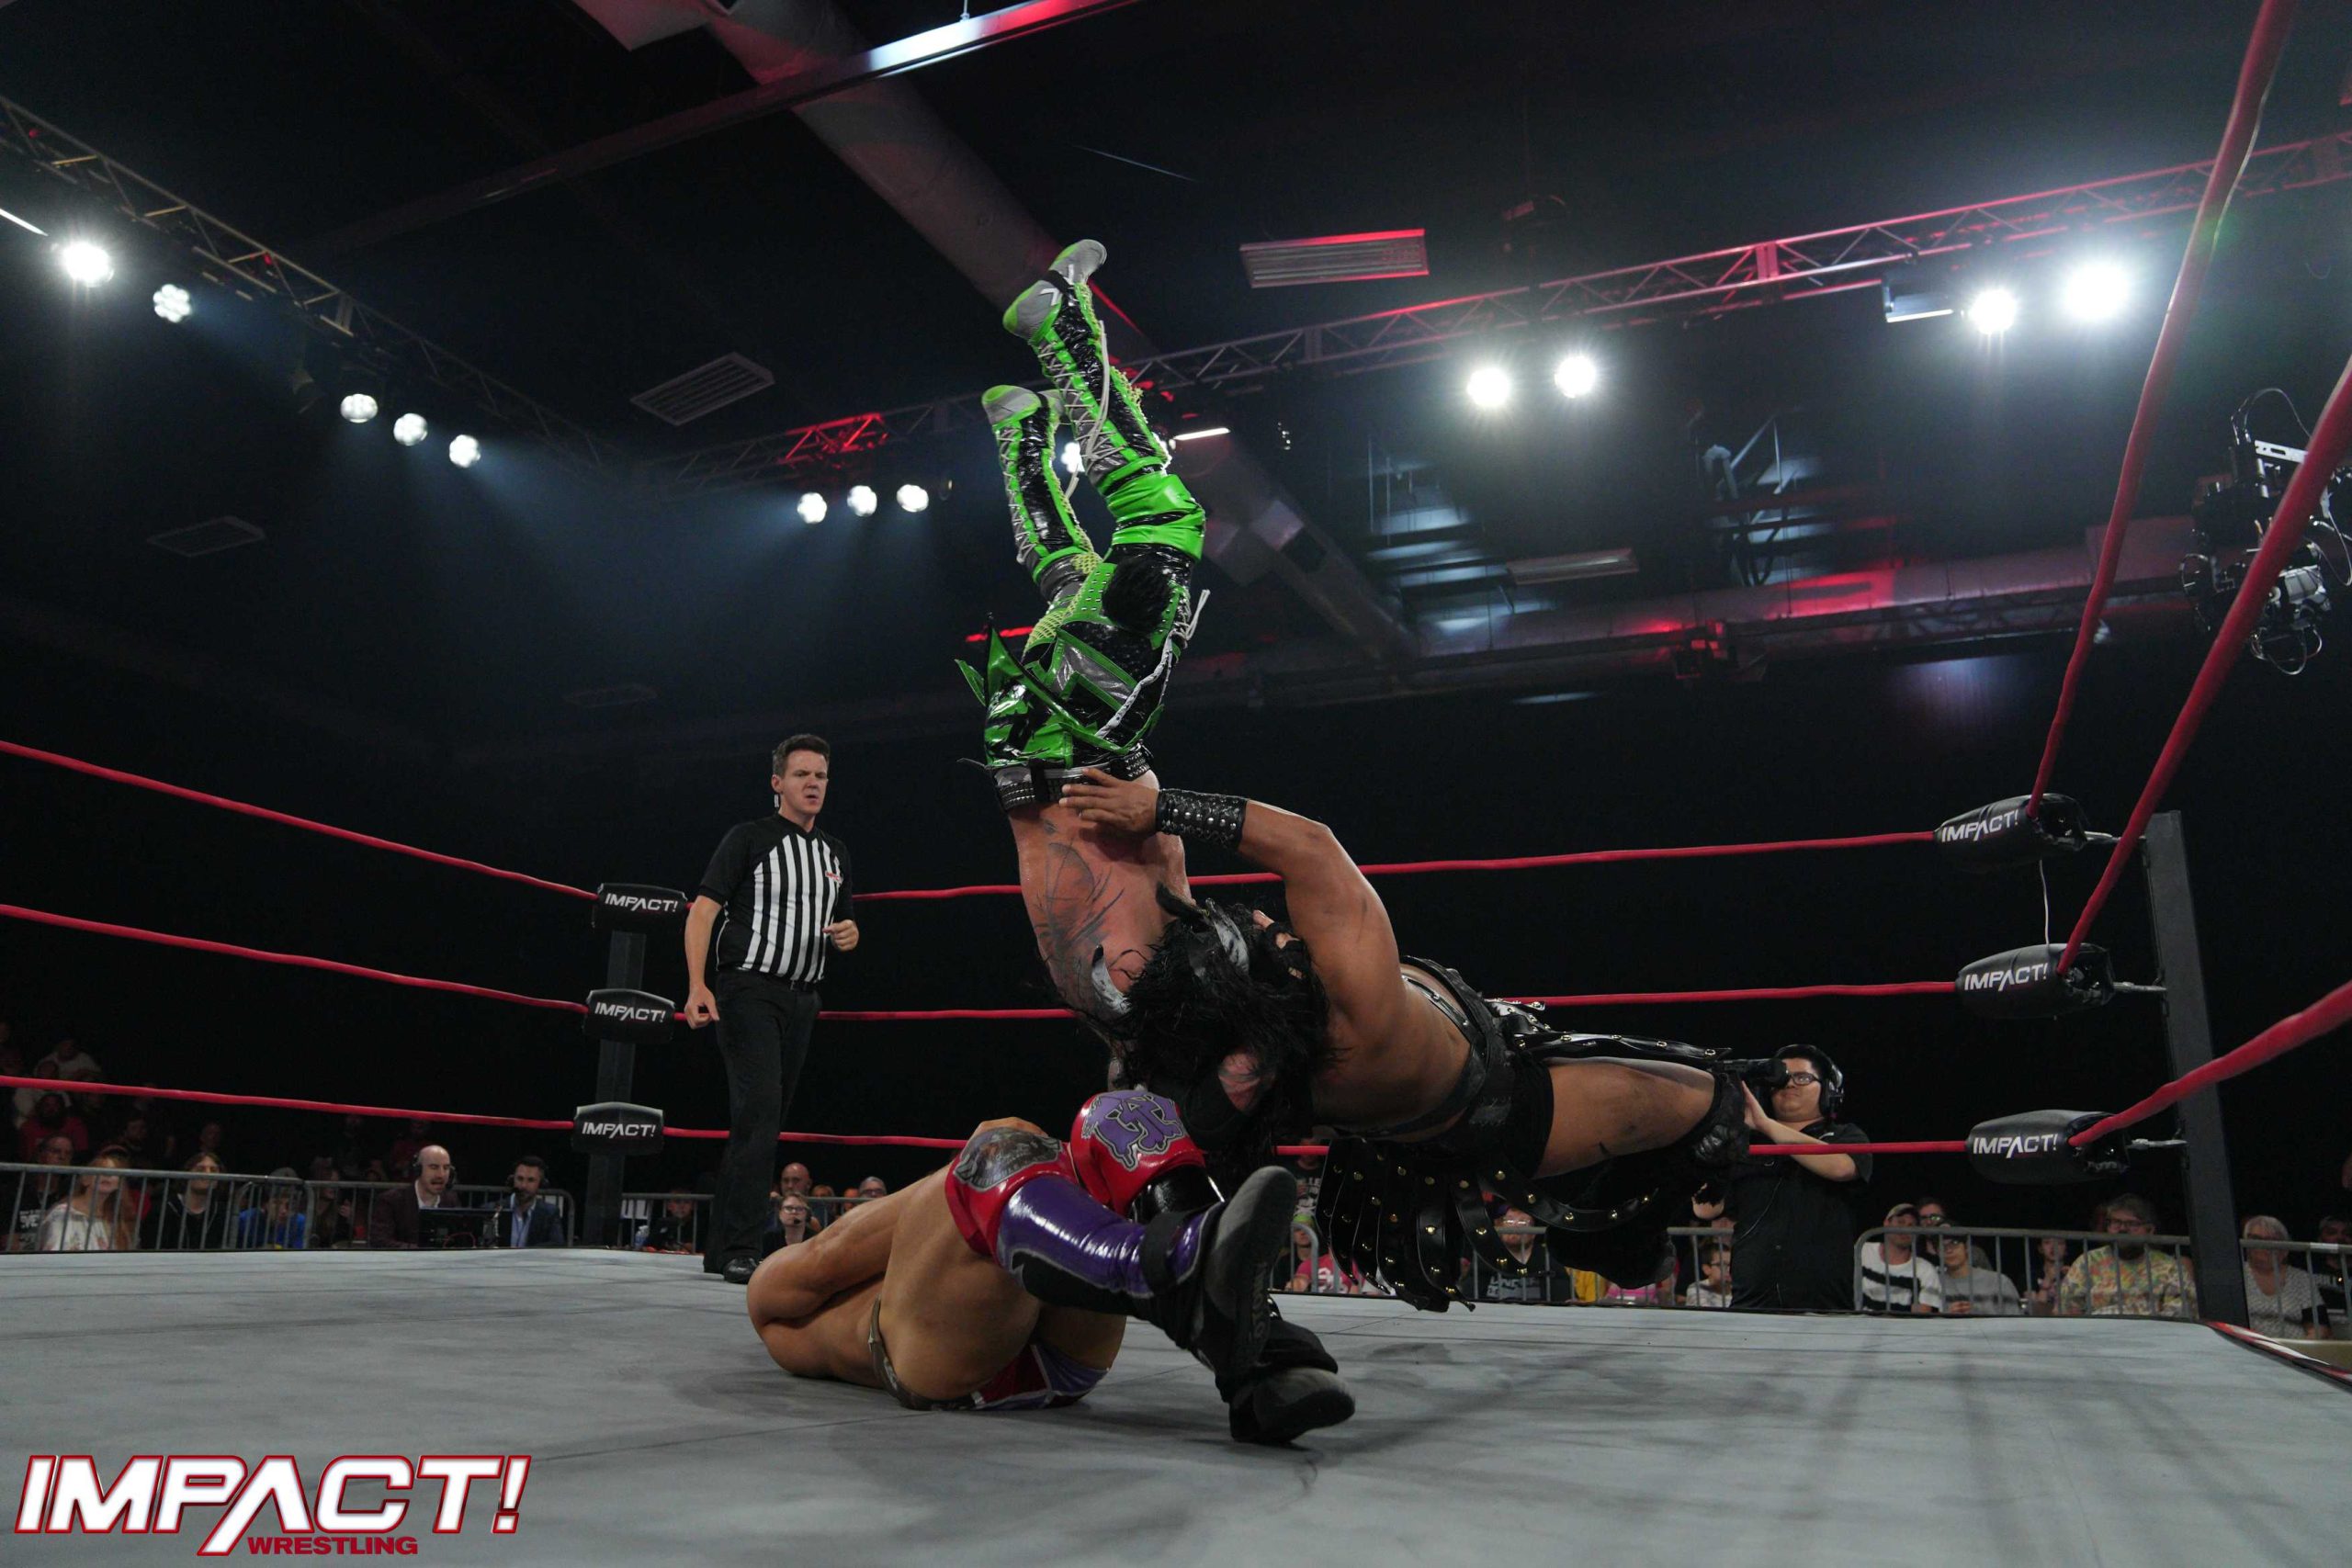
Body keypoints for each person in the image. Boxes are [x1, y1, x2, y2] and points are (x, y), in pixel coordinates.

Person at [746, 1090, 1350, 1445]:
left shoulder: (902, 1262)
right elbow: (813, 1265)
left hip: (1028, 1343)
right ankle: (1200, 1301)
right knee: (1002, 1140)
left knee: (1120, 1114)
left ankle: (1246, 1348)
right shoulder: (788, 1303)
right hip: (951, 1364)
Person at [683, 733, 859, 1286]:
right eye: (802, 774)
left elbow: (843, 922)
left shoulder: (835, 853)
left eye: (821, 775)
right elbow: (703, 911)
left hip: (804, 998)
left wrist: (850, 933)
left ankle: (721, 1249)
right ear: (778, 783)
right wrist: (697, 984)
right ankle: (741, 1246)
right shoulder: (749, 838)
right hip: (749, 989)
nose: (813, 784)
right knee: (759, 1113)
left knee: (761, 1121)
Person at [1689, 1045, 1871, 1310]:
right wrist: (1711, 1144)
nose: (1790, 1084)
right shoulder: (1747, 1142)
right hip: (1752, 1294)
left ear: (1828, 1089)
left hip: (1821, 1296)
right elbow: (1705, 1209)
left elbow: (1842, 1167)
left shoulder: (1846, 1135)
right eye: (1781, 1077)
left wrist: (1765, 1124)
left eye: (1803, 1077)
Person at [2056, 1194, 2197, 1319]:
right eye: (2116, 1222)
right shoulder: (2088, 1261)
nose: (2122, 1229)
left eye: (2132, 1224)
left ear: (2149, 1230)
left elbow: (2182, 1314)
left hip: (2150, 1336)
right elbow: (2066, 1309)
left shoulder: (2168, 1267)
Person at [2240, 1215, 2330, 1339]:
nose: (2263, 1245)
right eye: (2256, 1239)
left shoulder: (2301, 1278)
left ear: (2285, 1248)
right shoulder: (2238, 1275)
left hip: (2294, 1347)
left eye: (2271, 1240)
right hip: (2246, 1345)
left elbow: (2319, 1326)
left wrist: (2303, 1347)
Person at [36, 1149, 138, 1252]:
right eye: (101, 1170)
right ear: (85, 1179)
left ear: (119, 1184)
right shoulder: (63, 1214)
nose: (107, 1175)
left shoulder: (114, 1218)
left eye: (113, 1172)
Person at [1857, 1201, 1944, 1315]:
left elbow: (1921, 1319)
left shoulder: (1925, 1271)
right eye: (1900, 1222)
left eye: (1911, 1225)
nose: (1905, 1229)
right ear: (1886, 1223)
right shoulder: (1862, 1250)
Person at [368, 1144, 458, 1247]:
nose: (441, 1175)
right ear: (418, 1170)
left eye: (446, 1168)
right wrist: (422, 1251)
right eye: (434, 1167)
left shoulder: (451, 1200)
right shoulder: (391, 1200)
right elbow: (379, 1242)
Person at [148, 1152, 235, 1250]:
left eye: (213, 1170)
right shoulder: (164, 1208)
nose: (208, 1174)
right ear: (187, 1173)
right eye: (200, 1169)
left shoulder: (222, 1212)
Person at [11, 1132, 77, 1251]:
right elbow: (9, 1242)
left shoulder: (72, 1194)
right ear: (40, 1155)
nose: (62, 1157)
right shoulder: (16, 1192)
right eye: (56, 1151)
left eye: (68, 1153)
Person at [1935, 1227, 2024, 1316]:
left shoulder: (1998, 1281)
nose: (1949, 1250)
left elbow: (2016, 1319)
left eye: (1955, 1243)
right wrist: (1947, 1318)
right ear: (1936, 1252)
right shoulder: (1934, 1283)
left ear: (1967, 1247)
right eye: (1942, 1246)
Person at [493, 1155, 568, 1248]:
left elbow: (557, 1245)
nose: (523, 1186)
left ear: (541, 1184)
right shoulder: (493, 1210)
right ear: (512, 1180)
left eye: (531, 1180)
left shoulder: (550, 1213)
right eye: (520, 1179)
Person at [232, 1170, 309, 1249]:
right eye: (277, 1203)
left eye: (290, 1204)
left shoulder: (300, 1222)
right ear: (265, 1204)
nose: (284, 1210)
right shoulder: (245, 1220)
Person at [16, 1089, 89, 1163]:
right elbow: (22, 1156)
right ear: (39, 1108)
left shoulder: (75, 1125)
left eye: (56, 1105)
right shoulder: (28, 1128)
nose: (51, 1109)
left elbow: (82, 1155)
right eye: (47, 1105)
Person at [2313, 1215, 2350, 1330]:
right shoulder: (2309, 1270)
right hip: (2319, 1328)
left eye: (2347, 1234)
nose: (2340, 1237)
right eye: (2332, 1233)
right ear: (2320, 1239)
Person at [1683, 1241, 1735, 1309]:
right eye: (1722, 1265)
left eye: (1731, 1264)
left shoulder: (1739, 1290)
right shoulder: (1697, 1288)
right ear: (1706, 1269)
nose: (1729, 1269)